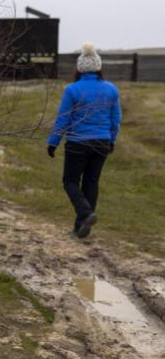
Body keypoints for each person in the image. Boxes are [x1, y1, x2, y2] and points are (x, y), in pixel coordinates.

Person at [47, 43, 121, 238]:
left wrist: (53, 141)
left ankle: (86, 214)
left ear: (79, 68)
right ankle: (81, 227)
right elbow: (116, 119)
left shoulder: (72, 90)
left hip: (77, 142)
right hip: (101, 142)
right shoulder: (111, 89)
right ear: (98, 67)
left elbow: (64, 118)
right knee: (91, 181)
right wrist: (111, 140)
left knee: (70, 181)